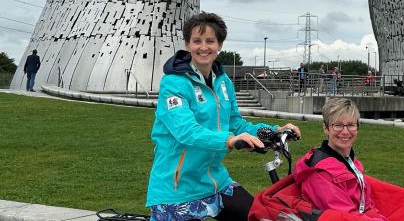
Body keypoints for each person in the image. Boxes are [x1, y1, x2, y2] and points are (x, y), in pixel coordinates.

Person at [146, 12, 301, 221]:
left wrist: (273, 132)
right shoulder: (173, 83)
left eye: (210, 41)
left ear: (219, 45)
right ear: (187, 44)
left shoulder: (223, 81)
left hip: (214, 181)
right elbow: (186, 132)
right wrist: (229, 141)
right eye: (197, 41)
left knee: (257, 216)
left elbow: (235, 123)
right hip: (177, 188)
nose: (203, 47)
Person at [294, 98, 387, 220]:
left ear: (357, 128)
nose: (345, 132)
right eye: (338, 125)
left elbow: (366, 206)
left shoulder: (351, 163)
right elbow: (344, 217)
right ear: (326, 128)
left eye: (350, 125)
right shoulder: (320, 174)